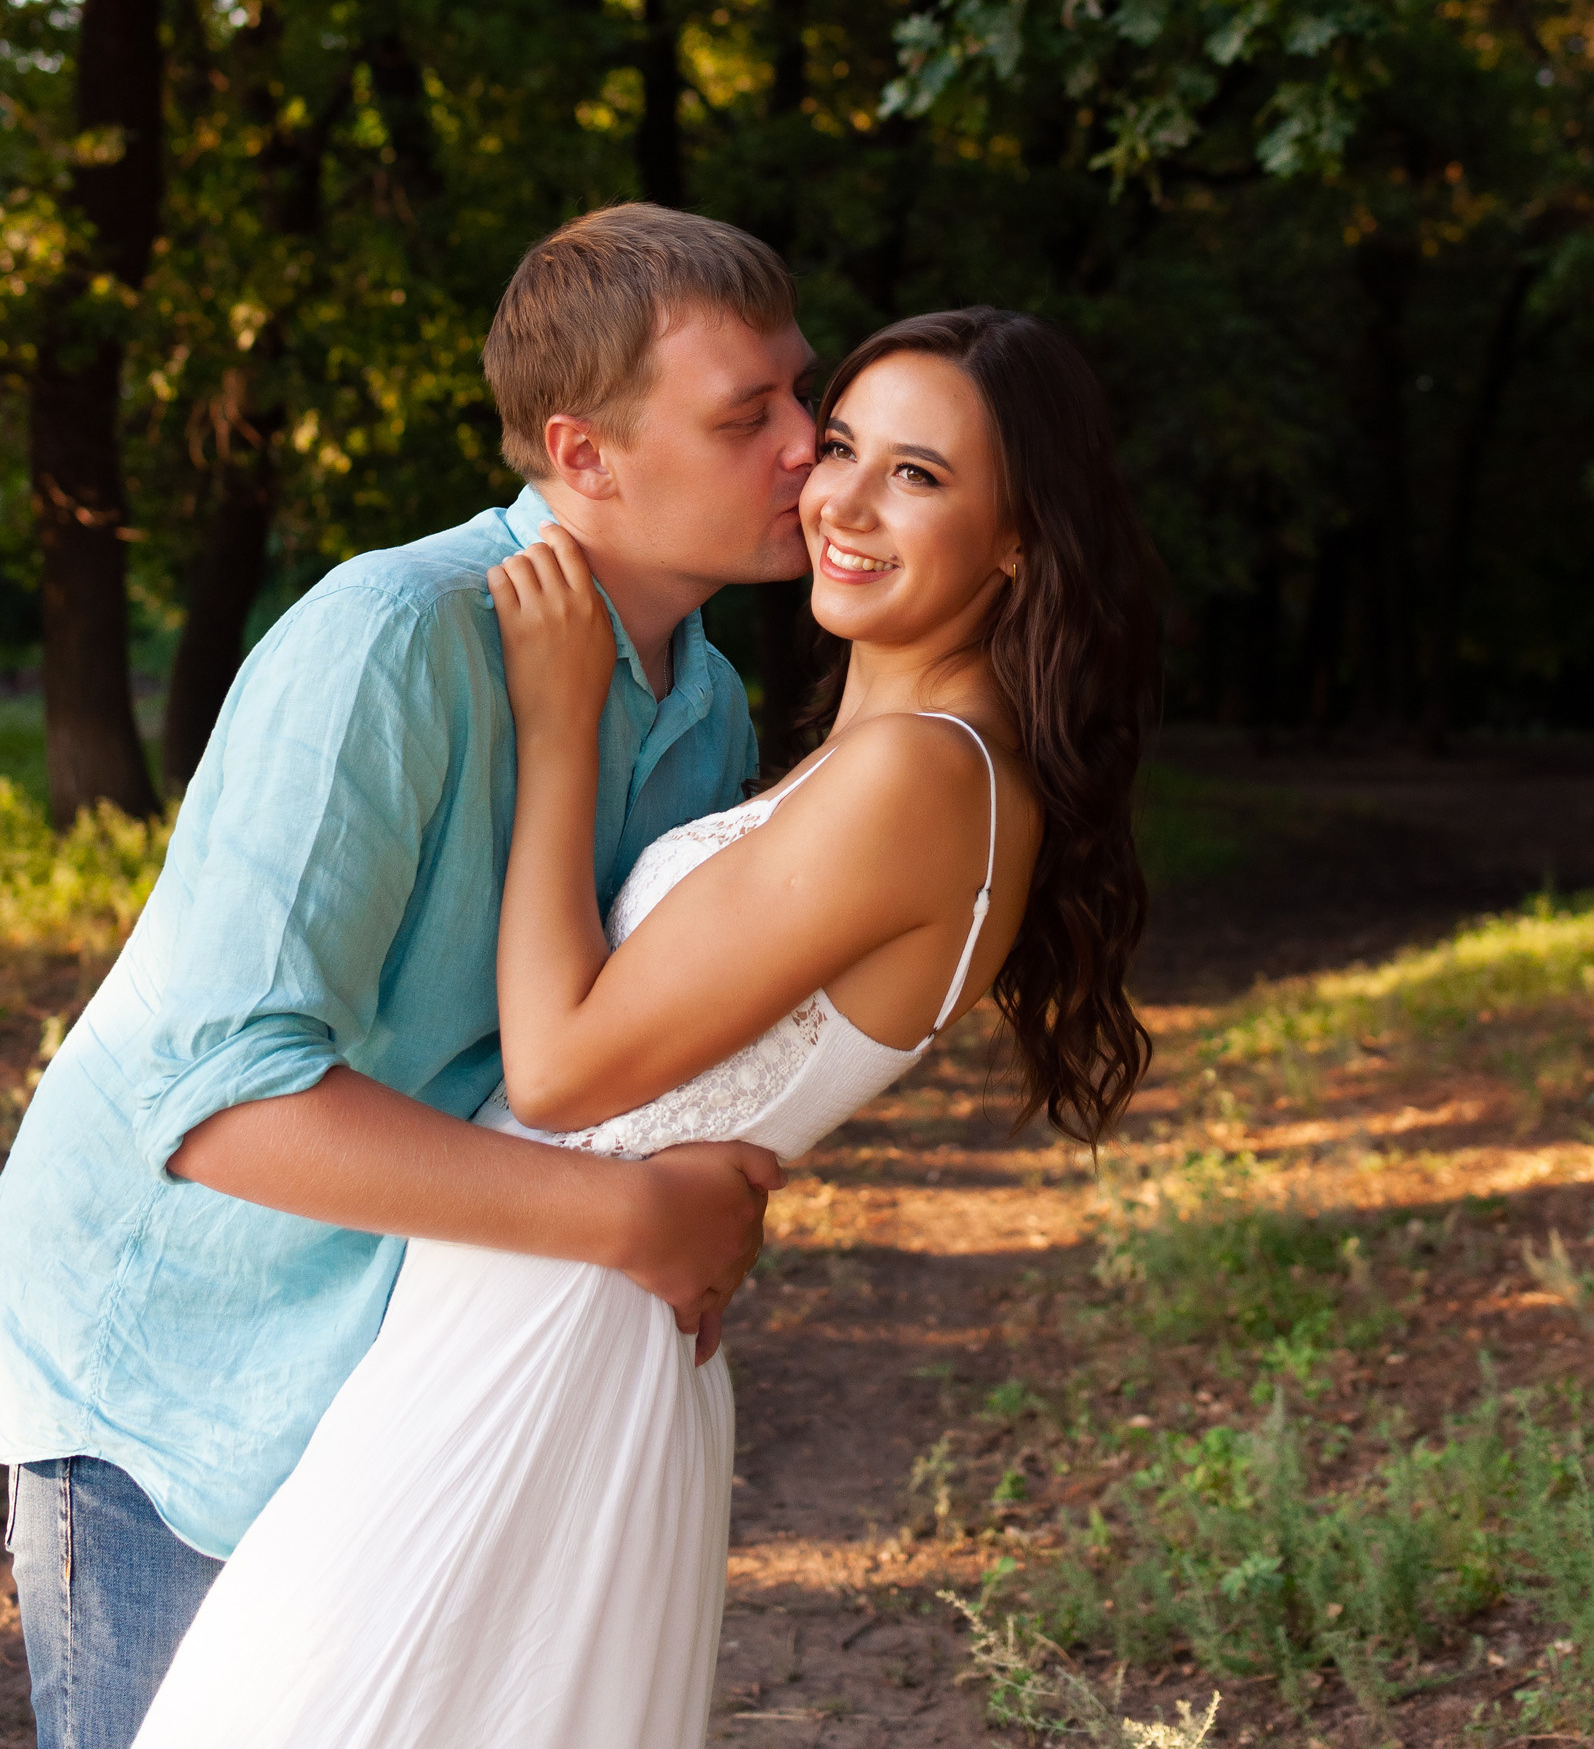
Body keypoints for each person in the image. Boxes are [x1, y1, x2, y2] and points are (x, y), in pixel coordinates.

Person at [127, 303, 1158, 1749]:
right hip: (546, 1303)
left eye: (917, 477)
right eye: (840, 443)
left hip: (546, 1331)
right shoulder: (874, 763)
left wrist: (559, 727)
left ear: (1017, 540)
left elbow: (556, 1071)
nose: (840, 498)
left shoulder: (923, 781)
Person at [0, 203, 819, 1749]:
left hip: (415, 1355)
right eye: (745, 415)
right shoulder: (388, 640)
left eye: (800, 392)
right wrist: (635, 1221)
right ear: (583, 457)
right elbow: (219, 1108)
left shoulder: (703, 707)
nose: (807, 443)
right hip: (181, 1369)